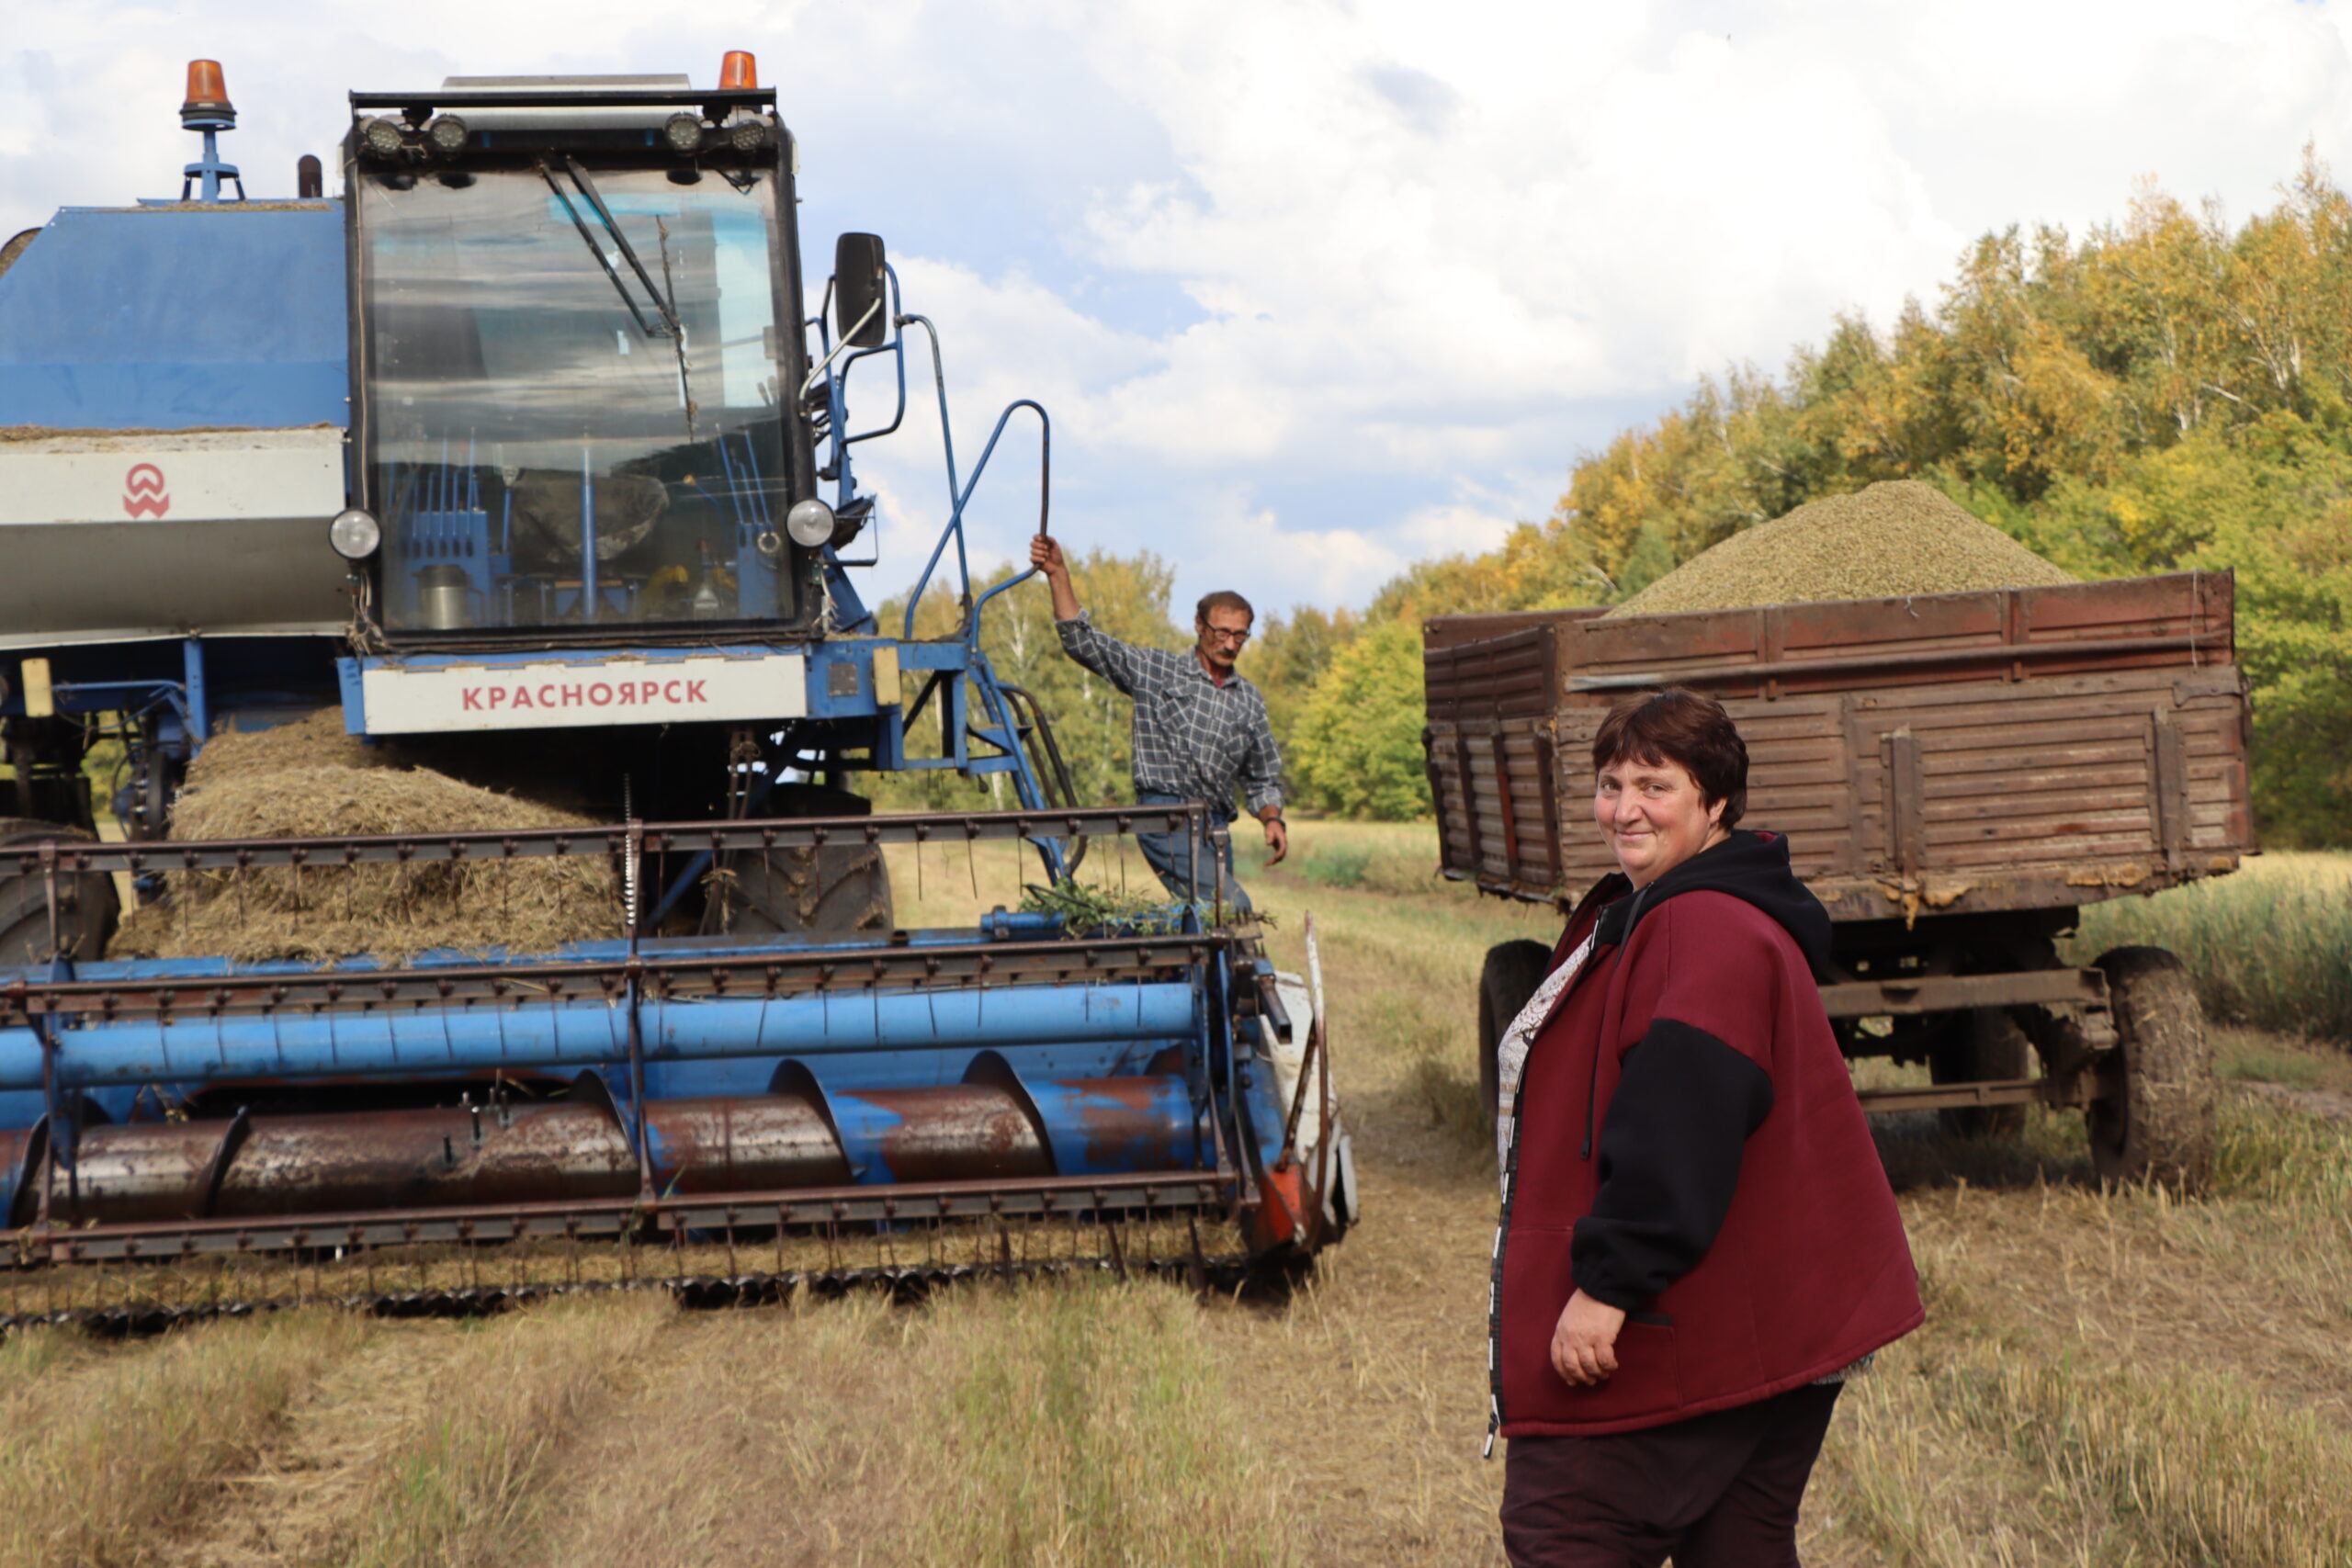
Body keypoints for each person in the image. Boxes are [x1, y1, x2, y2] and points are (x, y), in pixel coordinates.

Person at [1489, 688, 1921, 1567]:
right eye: (1612, 784)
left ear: (1716, 801)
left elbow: (1683, 1122)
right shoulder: (1691, 908)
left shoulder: (1703, 926)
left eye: (1655, 784)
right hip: (1772, 1316)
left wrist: (1608, 1286)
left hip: (1704, 1317)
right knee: (1738, 1544)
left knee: (1565, 1528)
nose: (1625, 808)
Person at [1027, 535, 1285, 909]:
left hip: (1214, 828)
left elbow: (1263, 777)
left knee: (1207, 929)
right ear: (1200, 625)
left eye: (1240, 635)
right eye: (1222, 632)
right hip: (1164, 818)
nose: (1230, 644)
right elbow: (1083, 643)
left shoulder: (1249, 700)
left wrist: (1272, 821)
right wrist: (1058, 573)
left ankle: (1198, 968)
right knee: (1231, 907)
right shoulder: (1157, 670)